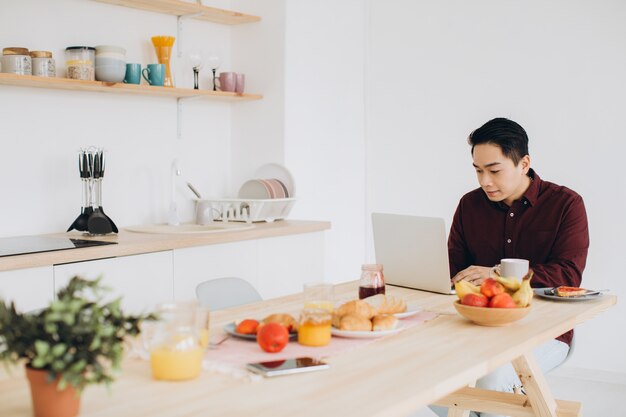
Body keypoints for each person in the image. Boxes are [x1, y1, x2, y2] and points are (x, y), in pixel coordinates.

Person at [431, 118, 589, 417]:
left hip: (544, 330)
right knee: (430, 377)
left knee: (489, 382)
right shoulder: (469, 206)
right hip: (476, 325)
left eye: (494, 170)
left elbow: (568, 274)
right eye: (478, 170)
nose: (484, 181)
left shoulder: (566, 205)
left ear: (524, 163)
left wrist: (499, 273)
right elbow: (454, 271)